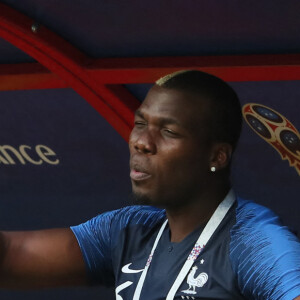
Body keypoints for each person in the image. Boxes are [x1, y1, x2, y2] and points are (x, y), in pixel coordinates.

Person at [0, 70, 300, 299]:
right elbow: (13, 256)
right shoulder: (130, 229)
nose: (141, 142)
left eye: (168, 131)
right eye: (141, 124)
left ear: (217, 156)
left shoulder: (252, 241)